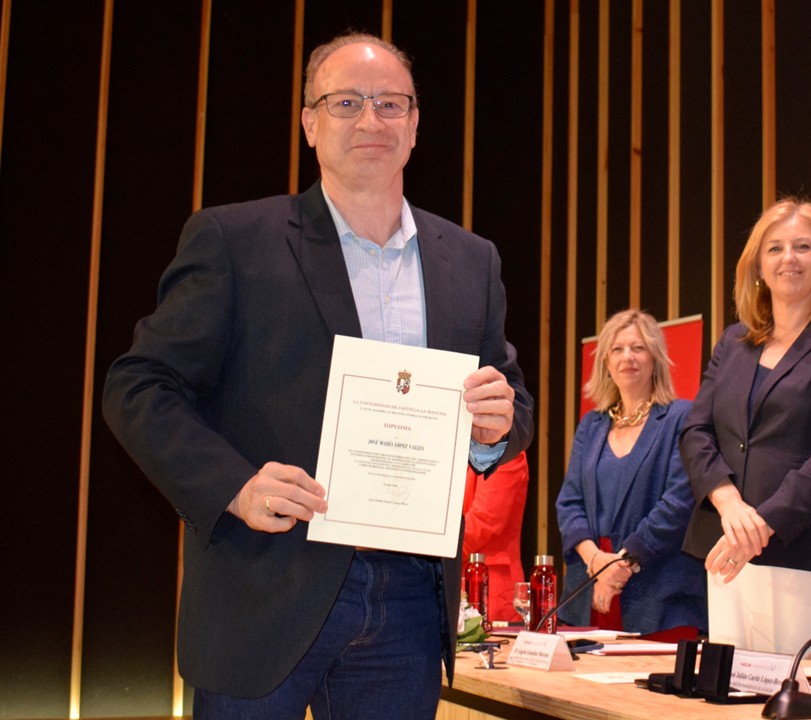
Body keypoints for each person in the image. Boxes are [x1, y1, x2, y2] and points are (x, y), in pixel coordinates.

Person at [101, 33, 533, 719]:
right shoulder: (233, 240)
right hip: (263, 592)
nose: (371, 120)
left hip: (409, 608)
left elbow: (508, 399)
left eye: (391, 104)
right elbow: (138, 385)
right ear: (309, 122)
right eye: (346, 102)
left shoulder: (471, 261)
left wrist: (494, 428)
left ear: (416, 126)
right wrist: (233, 486)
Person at [680, 200, 811, 663]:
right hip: (728, 552)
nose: (788, 258)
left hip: (808, 557)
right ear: (758, 265)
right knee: (730, 702)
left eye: (803, 247)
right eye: (774, 248)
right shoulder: (732, 343)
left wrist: (763, 524)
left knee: (804, 704)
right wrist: (729, 504)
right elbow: (696, 430)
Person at [556, 309, 706, 638]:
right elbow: (569, 503)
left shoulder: (680, 417)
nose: (628, 357)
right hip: (590, 594)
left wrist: (621, 564)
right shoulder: (590, 426)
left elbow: (679, 502)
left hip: (660, 598)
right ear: (606, 362)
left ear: (656, 358)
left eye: (639, 348)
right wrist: (596, 561)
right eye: (618, 349)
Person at [462, 451, 529, 623]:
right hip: (450, 584)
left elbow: (485, 520)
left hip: (490, 591)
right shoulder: (449, 444)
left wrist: (436, 551)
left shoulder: (505, 450)